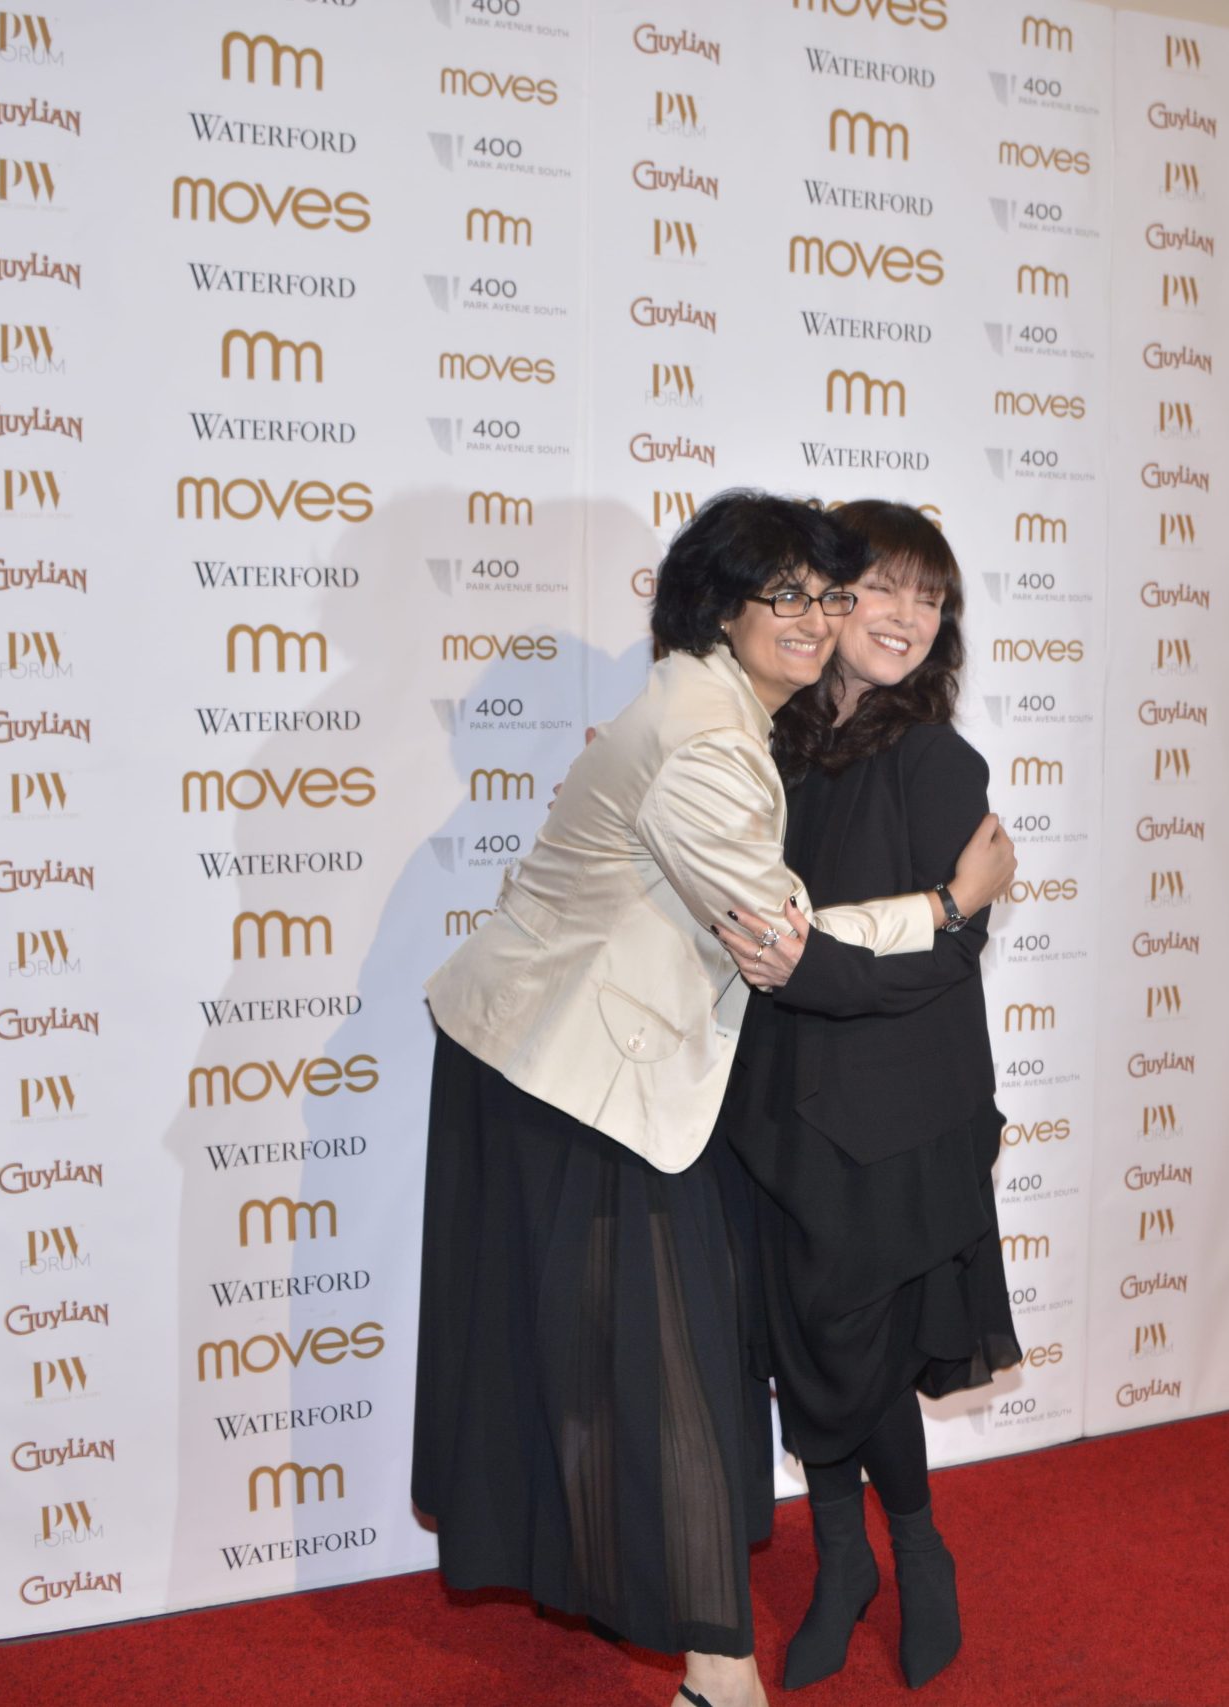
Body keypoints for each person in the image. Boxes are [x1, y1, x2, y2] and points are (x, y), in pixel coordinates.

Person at [413, 490, 1017, 1707]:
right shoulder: (735, 735)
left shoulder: (893, 751)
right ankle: (777, 1613)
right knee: (730, 1351)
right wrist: (946, 903)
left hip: (862, 1102)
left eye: (838, 593)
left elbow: (876, 959)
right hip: (670, 1087)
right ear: (725, 610)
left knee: (814, 1348)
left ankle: (870, 1577)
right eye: (813, 594)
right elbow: (776, 938)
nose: (838, 616)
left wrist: (943, 923)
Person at [714, 501, 1023, 1691]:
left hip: (897, 1117)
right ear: (826, 603)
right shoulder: (767, 750)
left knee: (865, 1350)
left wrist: (805, 968)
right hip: (777, 1101)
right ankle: (843, 1562)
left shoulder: (936, 760)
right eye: (881, 589)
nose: (906, 616)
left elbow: (947, 954)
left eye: (929, 598)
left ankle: (917, 1552)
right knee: (803, 1344)